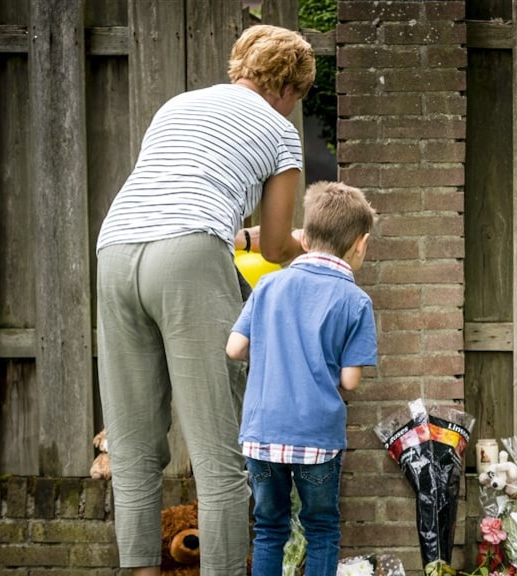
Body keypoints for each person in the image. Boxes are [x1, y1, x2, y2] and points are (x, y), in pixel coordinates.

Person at [95, 25, 315, 576]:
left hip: (115, 250)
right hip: (190, 258)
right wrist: (308, 246)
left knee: (133, 449)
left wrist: (239, 239)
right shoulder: (280, 130)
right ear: (290, 87)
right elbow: (276, 245)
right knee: (219, 456)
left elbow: (181, 198)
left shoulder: (175, 106)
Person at [226, 181, 378, 576]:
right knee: (322, 528)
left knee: (268, 528)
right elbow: (350, 381)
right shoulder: (356, 301)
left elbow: (235, 348)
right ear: (360, 244)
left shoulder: (269, 284)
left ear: (304, 238)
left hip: (262, 433)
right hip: (317, 438)